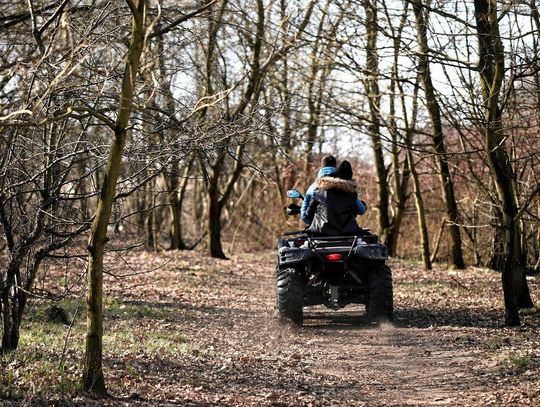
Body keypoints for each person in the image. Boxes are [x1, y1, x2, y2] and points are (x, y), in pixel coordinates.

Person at [305, 160, 366, 236]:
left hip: (321, 233)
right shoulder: (352, 194)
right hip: (347, 233)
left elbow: (308, 214)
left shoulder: (319, 192)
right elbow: (356, 212)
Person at [300, 155, 337, 224]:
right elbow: (361, 210)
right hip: (345, 230)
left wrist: (314, 224)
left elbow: (304, 216)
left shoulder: (312, 188)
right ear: (336, 167)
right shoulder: (346, 186)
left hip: (320, 231)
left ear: (321, 167)